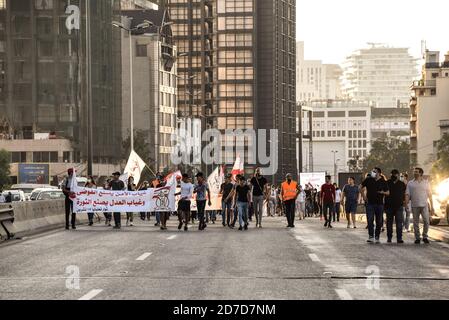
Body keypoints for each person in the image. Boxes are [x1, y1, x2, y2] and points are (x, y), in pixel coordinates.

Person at [406, 167, 434, 245]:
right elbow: (407, 194)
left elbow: (430, 195)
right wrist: (406, 204)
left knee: (426, 221)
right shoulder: (410, 183)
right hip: (415, 205)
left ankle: (425, 236)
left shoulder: (426, 183)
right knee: (415, 222)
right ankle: (417, 238)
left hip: (424, 205)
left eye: (416, 172)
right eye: (414, 172)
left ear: (421, 173)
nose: (415, 173)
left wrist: (432, 207)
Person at [361, 167, 389, 243]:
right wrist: (363, 196)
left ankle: (377, 236)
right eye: (372, 171)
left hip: (379, 204)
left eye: (375, 171)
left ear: (379, 173)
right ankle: (371, 236)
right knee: (370, 220)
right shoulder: (368, 179)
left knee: (379, 221)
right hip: (369, 203)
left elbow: (388, 192)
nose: (373, 172)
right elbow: (360, 187)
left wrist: (382, 192)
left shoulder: (383, 181)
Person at [385, 169, 406, 244]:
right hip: (389, 206)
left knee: (399, 223)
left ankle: (399, 238)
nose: (393, 175)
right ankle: (389, 237)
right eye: (392, 174)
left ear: (398, 175)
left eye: (395, 174)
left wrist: (405, 203)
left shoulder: (402, 184)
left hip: (399, 206)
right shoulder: (387, 183)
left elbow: (404, 195)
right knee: (389, 223)